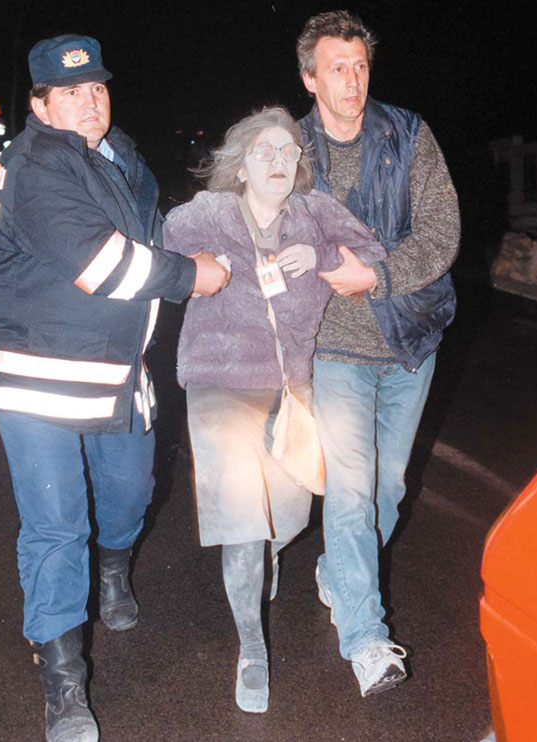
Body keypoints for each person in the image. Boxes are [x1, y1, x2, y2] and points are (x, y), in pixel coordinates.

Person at [0, 34, 228, 742]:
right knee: (57, 526)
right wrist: (193, 276)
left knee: (130, 495)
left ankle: (113, 568)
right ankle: (64, 685)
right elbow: (104, 264)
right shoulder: (37, 164)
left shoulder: (118, 156)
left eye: (97, 87)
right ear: (40, 105)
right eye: (70, 91)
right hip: (38, 376)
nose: (90, 101)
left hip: (116, 370)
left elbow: (155, 232)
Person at [163, 106, 385, 713]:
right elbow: (162, 243)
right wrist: (204, 267)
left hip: (290, 388)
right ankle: (252, 649)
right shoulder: (211, 212)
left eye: (289, 151)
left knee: (287, 517)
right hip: (218, 379)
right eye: (265, 151)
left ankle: (266, 557)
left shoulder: (316, 213)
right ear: (241, 166)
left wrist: (323, 258)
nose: (279, 161)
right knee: (243, 518)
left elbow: (372, 255)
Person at [296, 10, 460, 697]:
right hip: (334, 349)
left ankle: (337, 574)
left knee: (387, 491)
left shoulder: (409, 134)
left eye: (360, 66)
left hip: (409, 340)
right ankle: (365, 639)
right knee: (351, 489)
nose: (353, 80)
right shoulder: (289, 150)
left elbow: (442, 231)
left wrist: (378, 276)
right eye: (337, 68)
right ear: (310, 78)